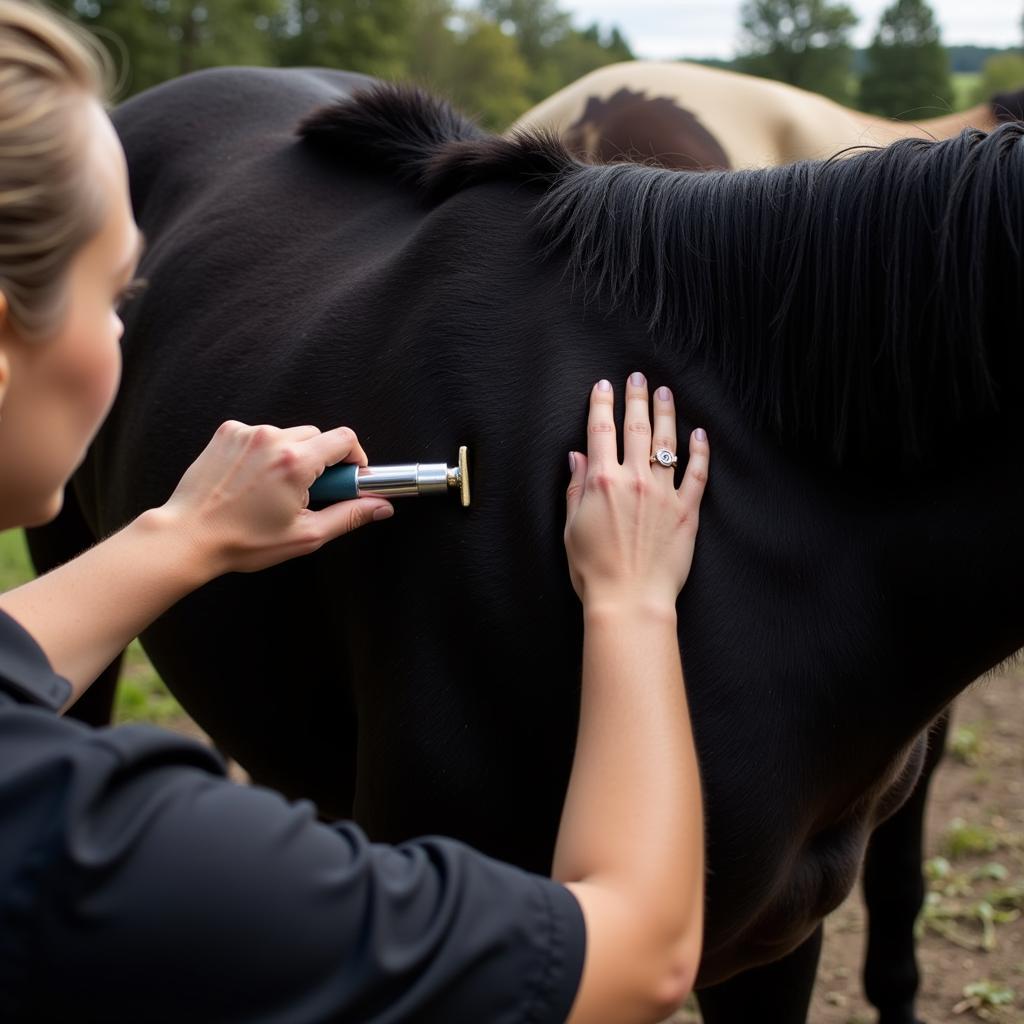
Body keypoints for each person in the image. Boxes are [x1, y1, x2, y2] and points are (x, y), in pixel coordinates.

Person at [0, 3, 710, 1022]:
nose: (125, 335)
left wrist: (182, 531)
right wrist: (631, 603)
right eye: (115, 299)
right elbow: (637, 957)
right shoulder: (98, 844)